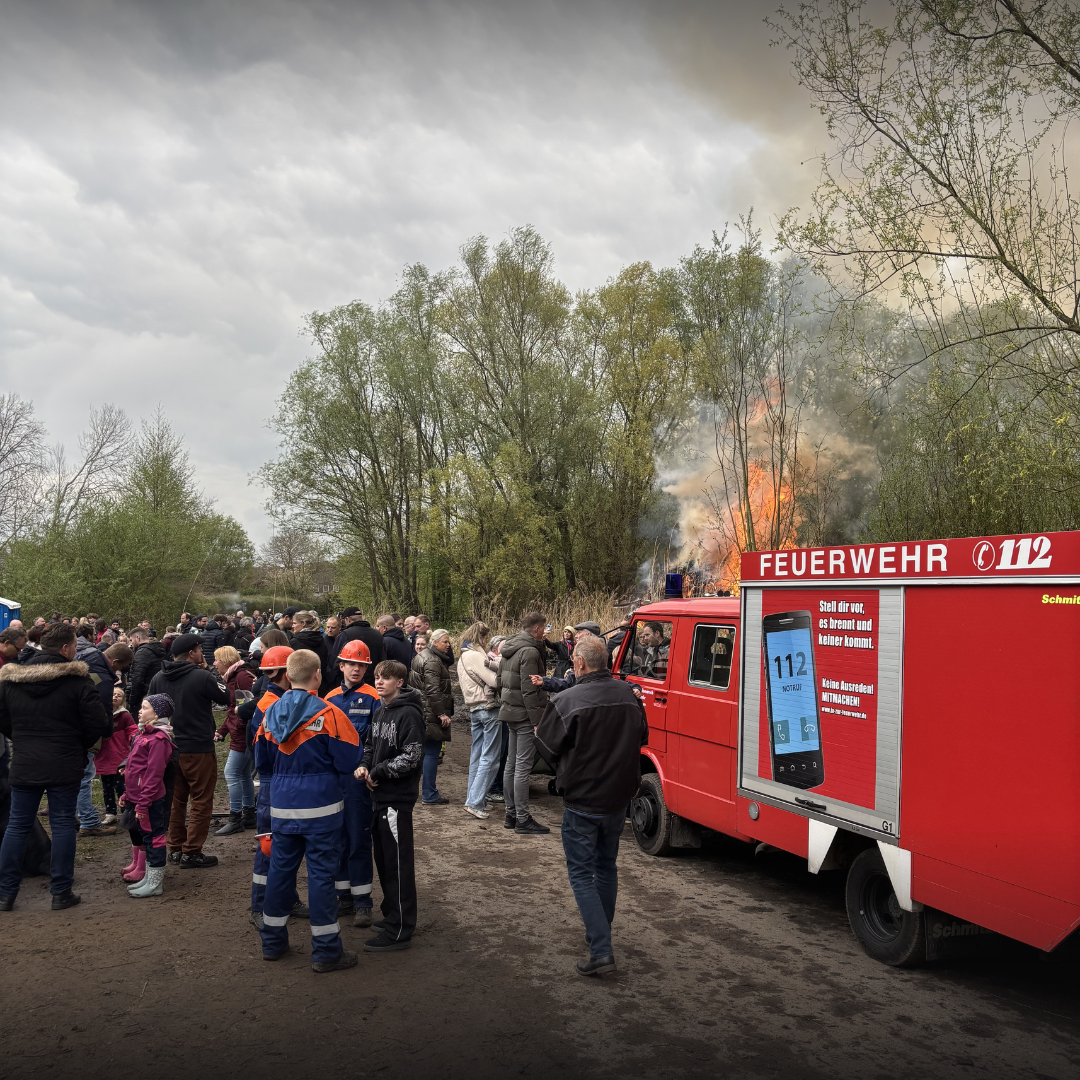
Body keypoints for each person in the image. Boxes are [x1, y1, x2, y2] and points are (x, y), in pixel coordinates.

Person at [535, 634, 648, 977]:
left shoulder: (567, 700)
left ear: (580, 663)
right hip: (618, 797)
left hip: (584, 798)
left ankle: (601, 948)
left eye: (573, 661)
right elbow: (642, 737)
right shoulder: (629, 695)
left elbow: (546, 749)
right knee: (606, 867)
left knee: (582, 873)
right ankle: (600, 933)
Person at [256, 649, 361, 973]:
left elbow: (262, 762)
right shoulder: (330, 714)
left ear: (288, 677)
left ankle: (272, 943)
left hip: (282, 807)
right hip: (322, 809)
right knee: (321, 878)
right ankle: (326, 952)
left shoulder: (269, 715)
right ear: (317, 675)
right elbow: (349, 759)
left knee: (279, 874)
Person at [0, 622, 112, 911]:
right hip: (64, 761)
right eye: (74, 646)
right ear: (64, 649)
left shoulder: (12, 681)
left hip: (26, 762)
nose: (76, 651)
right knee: (62, 824)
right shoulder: (78, 682)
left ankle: (5, 893)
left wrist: (22, 739)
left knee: (17, 825)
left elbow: (3, 719)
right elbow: (100, 723)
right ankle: (61, 892)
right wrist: (77, 743)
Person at [354, 659, 424, 952]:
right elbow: (371, 745)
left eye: (386, 678)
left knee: (397, 865)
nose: (379, 682)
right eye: (377, 677)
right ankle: (392, 914)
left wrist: (379, 771)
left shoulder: (409, 714)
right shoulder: (381, 711)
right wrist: (364, 766)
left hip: (397, 800)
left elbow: (412, 757)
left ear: (400, 682)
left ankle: (400, 930)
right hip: (379, 798)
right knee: (384, 862)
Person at [147, 633, 229, 868]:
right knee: (201, 799)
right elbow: (225, 696)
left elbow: (151, 708)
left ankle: (174, 848)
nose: (202, 653)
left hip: (168, 747)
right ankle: (192, 851)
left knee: (175, 799)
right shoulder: (201, 676)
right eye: (199, 649)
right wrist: (209, 671)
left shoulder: (158, 677)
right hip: (198, 747)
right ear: (192, 653)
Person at [240, 645, 299, 930]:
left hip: (277, 781)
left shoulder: (276, 699)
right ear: (288, 672)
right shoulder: (271, 704)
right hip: (274, 782)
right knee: (269, 847)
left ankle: (286, 898)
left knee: (287, 846)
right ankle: (260, 906)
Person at [325, 639, 379, 927]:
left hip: (359, 781)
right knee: (337, 841)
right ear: (341, 665)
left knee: (359, 839)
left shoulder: (374, 698)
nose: (356, 669)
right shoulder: (330, 698)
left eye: (361, 665)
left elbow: (378, 741)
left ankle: (362, 902)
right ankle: (343, 896)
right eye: (351, 664)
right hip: (334, 781)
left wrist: (372, 771)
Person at [497, 611, 550, 835]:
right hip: (525, 716)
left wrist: (507, 704)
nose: (545, 632)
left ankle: (511, 814)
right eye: (544, 628)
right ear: (536, 629)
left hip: (510, 712)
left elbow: (499, 681)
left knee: (511, 764)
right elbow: (530, 690)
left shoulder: (509, 648)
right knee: (521, 767)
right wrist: (537, 721)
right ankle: (522, 818)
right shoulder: (529, 651)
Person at [121, 694, 178, 898]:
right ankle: (148, 877)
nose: (139, 710)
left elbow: (153, 775)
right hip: (138, 797)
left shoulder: (159, 740)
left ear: (157, 714)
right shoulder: (142, 735)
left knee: (155, 838)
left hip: (150, 800)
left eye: (145, 708)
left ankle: (155, 883)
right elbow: (133, 769)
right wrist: (128, 794)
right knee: (147, 837)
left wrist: (143, 804)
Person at [73, 630, 119, 838]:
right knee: (84, 776)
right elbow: (101, 707)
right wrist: (106, 730)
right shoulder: (102, 676)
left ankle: (73, 815)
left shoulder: (84, 660)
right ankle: (88, 820)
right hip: (83, 732)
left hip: (69, 730)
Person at [212, 645, 257, 836]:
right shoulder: (234, 677)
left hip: (243, 735)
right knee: (244, 774)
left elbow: (247, 708)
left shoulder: (241, 677)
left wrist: (235, 728)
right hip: (240, 733)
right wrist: (223, 730)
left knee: (230, 773)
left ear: (226, 661)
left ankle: (235, 818)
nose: (214, 663)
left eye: (217, 659)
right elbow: (234, 709)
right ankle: (249, 814)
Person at [457, 621, 500, 820]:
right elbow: (493, 681)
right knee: (490, 757)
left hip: (473, 708)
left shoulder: (462, 657)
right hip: (488, 708)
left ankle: (474, 799)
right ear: (482, 637)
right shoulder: (476, 655)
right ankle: (475, 802)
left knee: (476, 755)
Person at [409, 629, 454, 806]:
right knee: (432, 753)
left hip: (420, 708)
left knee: (422, 752)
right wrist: (441, 713)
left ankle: (419, 791)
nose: (448, 645)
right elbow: (433, 689)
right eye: (445, 641)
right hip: (429, 711)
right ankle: (429, 793)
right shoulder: (433, 661)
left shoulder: (422, 656)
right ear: (435, 642)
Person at [95, 687, 137, 824]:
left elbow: (133, 730)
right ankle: (110, 812)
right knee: (106, 787)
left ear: (122, 700)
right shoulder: (100, 713)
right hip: (104, 756)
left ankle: (125, 812)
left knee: (121, 786)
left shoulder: (124, 716)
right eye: (113, 694)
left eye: (119, 695)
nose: (115, 697)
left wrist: (134, 741)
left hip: (119, 755)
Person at [127, 629, 166, 718]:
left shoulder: (142, 653)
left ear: (137, 638)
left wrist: (132, 702)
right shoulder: (157, 651)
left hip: (143, 698)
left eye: (131, 640)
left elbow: (137, 679)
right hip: (155, 693)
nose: (131, 644)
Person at [331, 608, 385, 672]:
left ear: (347, 619)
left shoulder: (345, 635)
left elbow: (334, 661)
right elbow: (383, 660)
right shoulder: (378, 634)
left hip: (350, 676)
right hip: (374, 676)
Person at [289, 612, 329, 692]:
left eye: (294, 623)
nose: (292, 626)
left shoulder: (295, 642)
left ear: (303, 623)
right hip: (320, 685)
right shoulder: (322, 640)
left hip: (301, 687)